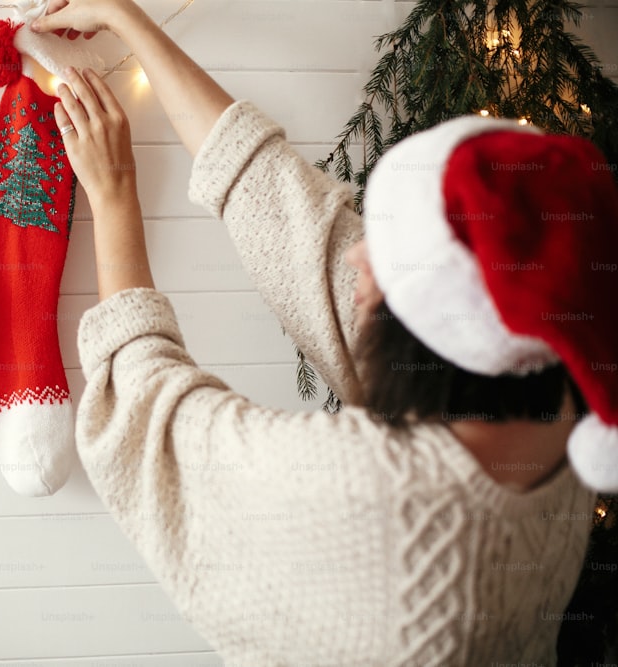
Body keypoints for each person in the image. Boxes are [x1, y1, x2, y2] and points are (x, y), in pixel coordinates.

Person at [31, 1, 618, 663]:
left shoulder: (381, 505)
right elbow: (287, 209)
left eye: (388, 252)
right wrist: (129, 20)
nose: (361, 254)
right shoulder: (555, 402)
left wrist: (113, 194)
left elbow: (154, 425)